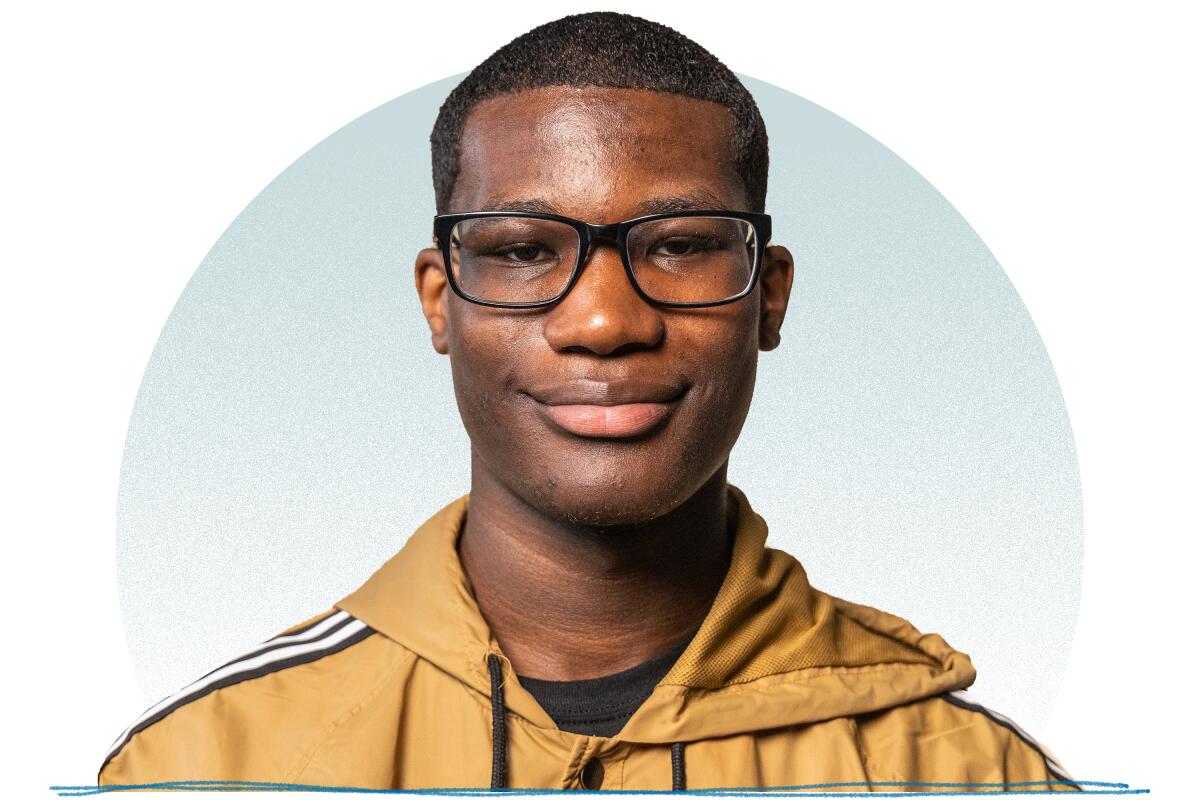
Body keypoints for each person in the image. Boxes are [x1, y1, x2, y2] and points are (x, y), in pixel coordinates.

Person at [98, 11, 1077, 792]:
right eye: (524, 250)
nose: (604, 320)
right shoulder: (203, 768)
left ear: (768, 295)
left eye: (681, 243)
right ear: (441, 300)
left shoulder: (967, 775)